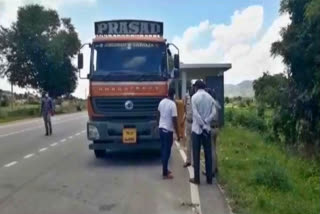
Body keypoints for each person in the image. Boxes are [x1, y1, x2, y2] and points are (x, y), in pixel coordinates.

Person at [189, 80, 216, 185]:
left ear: (196, 87)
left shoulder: (194, 97)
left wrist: (201, 124)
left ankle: (197, 179)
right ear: (204, 87)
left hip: (197, 130)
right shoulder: (210, 98)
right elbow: (214, 113)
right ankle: (209, 179)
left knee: (196, 155)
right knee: (207, 154)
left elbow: (195, 113)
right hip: (207, 130)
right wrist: (206, 122)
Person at [157, 87, 180, 179]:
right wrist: (178, 134)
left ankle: (165, 169)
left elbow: (158, 114)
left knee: (163, 150)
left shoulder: (161, 102)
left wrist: (159, 123)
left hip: (161, 129)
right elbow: (175, 120)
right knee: (167, 151)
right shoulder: (172, 104)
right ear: (173, 95)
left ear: (167, 93)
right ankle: (165, 173)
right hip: (168, 131)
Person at [205, 88, 221, 175]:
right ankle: (216, 167)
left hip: (211, 128)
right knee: (214, 149)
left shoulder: (210, 104)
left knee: (211, 150)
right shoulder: (216, 103)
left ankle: (211, 171)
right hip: (217, 128)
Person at [182, 86, 195, 168]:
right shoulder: (187, 97)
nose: (191, 91)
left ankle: (195, 162)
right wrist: (184, 118)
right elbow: (184, 108)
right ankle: (188, 161)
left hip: (195, 123)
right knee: (188, 142)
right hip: (188, 122)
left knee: (195, 143)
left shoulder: (197, 98)